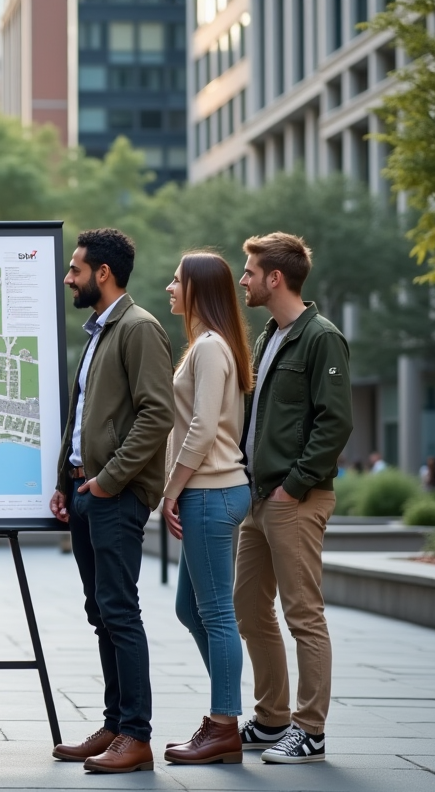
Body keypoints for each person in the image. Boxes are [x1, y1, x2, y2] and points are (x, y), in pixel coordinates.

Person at [49, 229, 174, 773]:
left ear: (103, 273)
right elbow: (83, 417)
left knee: (120, 612)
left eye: (75, 269)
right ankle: (115, 723)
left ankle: (137, 737)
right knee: (101, 612)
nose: (68, 277)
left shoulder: (139, 329)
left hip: (113, 495)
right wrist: (65, 480)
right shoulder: (101, 331)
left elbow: (156, 414)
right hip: (85, 491)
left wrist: (109, 480)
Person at [234, 232, 353, 764]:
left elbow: (335, 423)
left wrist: (294, 486)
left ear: (274, 278)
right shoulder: (270, 335)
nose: (243, 280)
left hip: (293, 499)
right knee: (247, 608)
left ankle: (311, 730)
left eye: (250, 271)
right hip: (259, 499)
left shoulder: (321, 336)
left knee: (303, 614)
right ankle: (272, 717)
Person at [160, 252, 254, 765]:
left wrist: (171, 490)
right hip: (209, 490)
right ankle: (226, 713)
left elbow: (200, 429)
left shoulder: (212, 348)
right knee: (189, 609)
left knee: (216, 613)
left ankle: (223, 726)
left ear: (197, 289)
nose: (169, 287)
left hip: (210, 491)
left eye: (176, 281)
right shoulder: (206, 346)